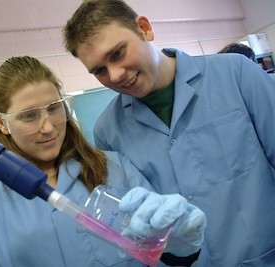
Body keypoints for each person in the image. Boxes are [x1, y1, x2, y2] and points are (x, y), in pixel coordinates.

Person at [0, 56, 206, 266]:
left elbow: (161, 251)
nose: (48, 126)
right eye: (29, 115)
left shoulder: (114, 168)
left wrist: (182, 246)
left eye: (53, 108)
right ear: (2, 122)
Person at [63, 0, 275, 266]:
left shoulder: (235, 74)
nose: (115, 75)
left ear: (144, 29)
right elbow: (140, 231)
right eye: (100, 71)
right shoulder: (108, 131)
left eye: (117, 54)